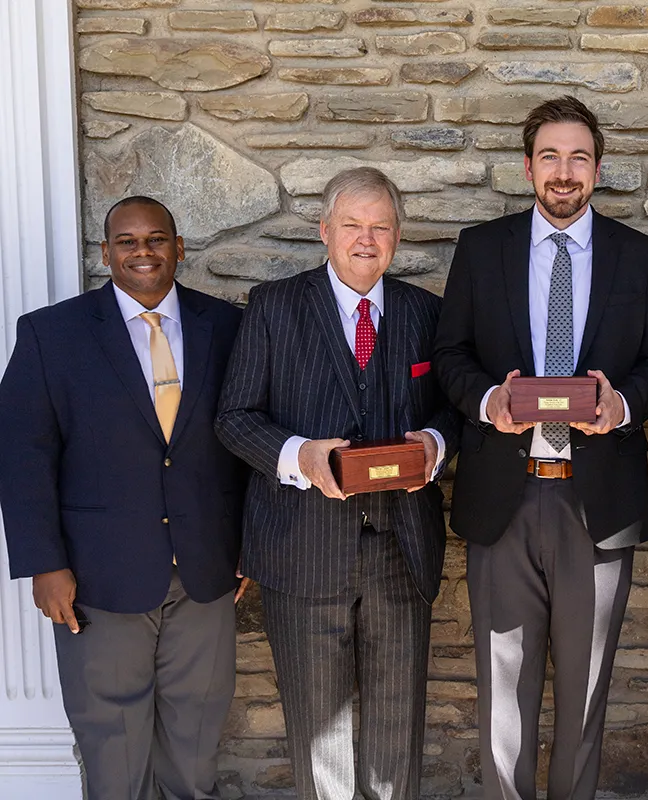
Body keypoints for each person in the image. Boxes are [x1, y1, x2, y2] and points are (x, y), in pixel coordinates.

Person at [433, 96, 648, 800]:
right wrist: (488, 401)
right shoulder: (483, 249)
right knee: (501, 690)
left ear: (598, 169)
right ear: (527, 167)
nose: (563, 173)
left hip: (595, 503)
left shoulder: (637, 255)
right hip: (504, 499)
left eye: (578, 158)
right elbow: (449, 353)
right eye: (550, 157)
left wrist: (621, 403)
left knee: (586, 689)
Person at [215, 167, 460, 800]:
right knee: (319, 738)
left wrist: (433, 444)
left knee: (395, 732)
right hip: (302, 553)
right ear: (324, 232)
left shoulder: (424, 313)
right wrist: (300, 456)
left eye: (380, 226)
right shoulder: (273, 306)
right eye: (351, 225)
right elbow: (234, 418)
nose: (365, 239)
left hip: (400, 555)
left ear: (398, 237)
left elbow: (450, 409)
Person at [0, 196, 247, 800]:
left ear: (179, 247)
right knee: (113, 750)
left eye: (156, 239)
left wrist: (251, 546)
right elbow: (22, 454)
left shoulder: (228, 327)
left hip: (206, 573)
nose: (143, 251)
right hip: (97, 579)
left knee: (195, 744)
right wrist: (43, 564)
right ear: (106, 251)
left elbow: (249, 445)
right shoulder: (51, 335)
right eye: (127, 241)